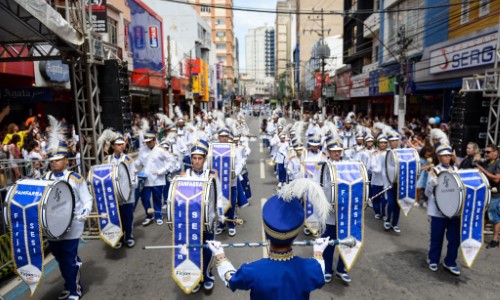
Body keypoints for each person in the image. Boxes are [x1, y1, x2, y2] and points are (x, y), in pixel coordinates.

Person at [207, 178, 331, 299]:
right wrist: (318, 252)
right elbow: (319, 272)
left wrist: (220, 256)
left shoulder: (253, 271)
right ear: (294, 236)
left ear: (267, 234)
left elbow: (231, 280)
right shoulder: (310, 268)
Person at [43, 141, 93, 300]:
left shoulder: (76, 178)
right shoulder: (45, 178)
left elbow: (87, 200)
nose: (54, 162)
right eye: (52, 160)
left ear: (66, 160)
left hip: (73, 226)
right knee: (60, 258)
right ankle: (69, 284)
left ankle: (75, 290)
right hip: (53, 228)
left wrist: (85, 212)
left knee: (70, 258)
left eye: (58, 159)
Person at [183, 139, 224, 292]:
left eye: (200, 158)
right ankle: (194, 276)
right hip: (191, 219)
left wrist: (219, 213)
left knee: (207, 249)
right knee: (193, 249)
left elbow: (218, 195)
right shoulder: (185, 175)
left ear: (205, 159)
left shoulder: (212, 175)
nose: (197, 161)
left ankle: (207, 275)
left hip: (208, 219)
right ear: (191, 159)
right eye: (194, 158)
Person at [425, 144, 461, 275]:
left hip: (454, 211)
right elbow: (427, 193)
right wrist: (431, 183)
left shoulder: (456, 170)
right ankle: (433, 259)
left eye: (449, 155)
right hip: (437, 211)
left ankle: (450, 262)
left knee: (454, 239)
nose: (447, 158)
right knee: (436, 237)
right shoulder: (434, 170)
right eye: (444, 156)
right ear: (439, 157)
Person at [322, 138, 350, 283]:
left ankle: (341, 268)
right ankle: (327, 269)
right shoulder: (325, 166)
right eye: (334, 151)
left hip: (345, 212)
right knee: (330, 242)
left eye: (339, 151)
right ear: (329, 152)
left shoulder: (348, 165)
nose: (337, 153)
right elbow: (321, 187)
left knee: (346, 241)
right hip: (330, 211)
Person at [102, 132, 137, 249]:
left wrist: (130, 186)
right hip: (113, 196)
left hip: (127, 195)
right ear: (112, 146)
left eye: (122, 144)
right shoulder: (107, 160)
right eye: (118, 144)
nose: (121, 146)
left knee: (128, 217)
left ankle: (129, 237)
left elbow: (132, 176)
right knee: (116, 218)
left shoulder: (128, 159)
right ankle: (119, 238)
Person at [475, 144, 500, 249]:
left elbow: (497, 179)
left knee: (494, 217)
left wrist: (482, 169)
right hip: (484, 193)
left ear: (496, 153)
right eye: (485, 152)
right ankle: (479, 237)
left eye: (488, 152)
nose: (486, 154)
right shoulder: (485, 162)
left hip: (494, 195)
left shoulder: (498, 163)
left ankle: (495, 240)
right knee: (483, 216)